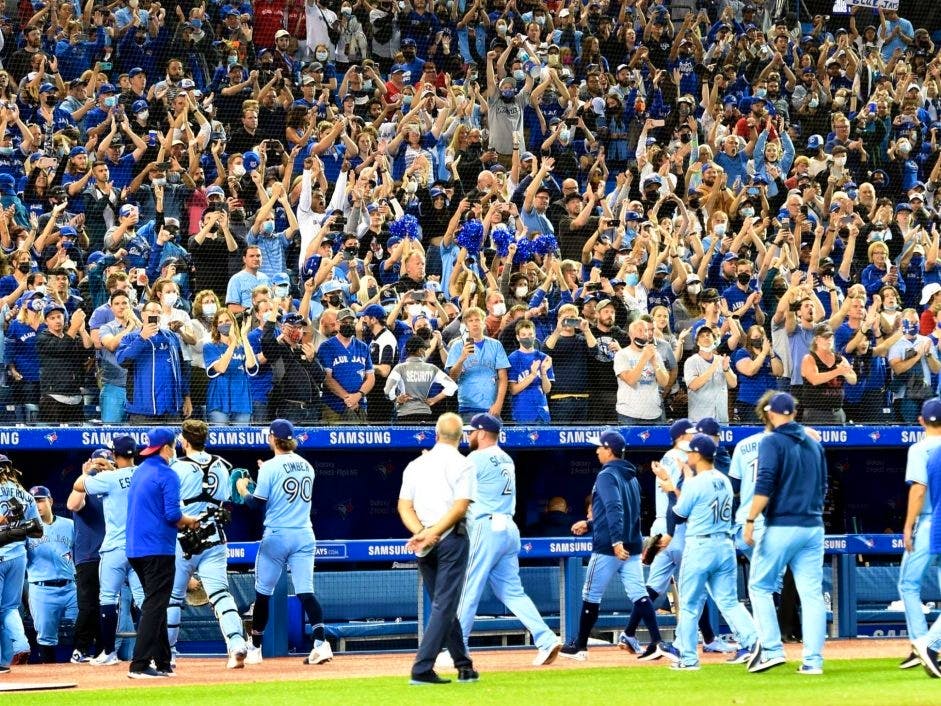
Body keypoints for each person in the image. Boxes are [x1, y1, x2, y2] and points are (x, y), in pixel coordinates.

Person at [454, 414, 561, 666]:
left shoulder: (476, 458)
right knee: (511, 591)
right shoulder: (506, 458)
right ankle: (546, 639)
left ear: (481, 433)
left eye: (472, 432)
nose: (469, 436)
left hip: (486, 526)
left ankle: (458, 648)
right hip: (508, 528)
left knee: (468, 587)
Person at [561, 431, 671, 662]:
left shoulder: (607, 475)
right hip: (631, 543)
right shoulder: (630, 475)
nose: (597, 450)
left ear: (609, 450)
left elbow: (614, 507)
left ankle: (580, 646)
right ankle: (656, 642)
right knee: (639, 595)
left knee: (590, 594)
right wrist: (591, 524)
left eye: (600, 447)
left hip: (609, 547)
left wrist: (615, 541)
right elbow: (622, 511)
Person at [236, 420, 331, 668]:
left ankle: (255, 648)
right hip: (303, 534)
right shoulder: (307, 465)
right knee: (306, 592)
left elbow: (256, 504)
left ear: (273, 439)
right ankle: (321, 644)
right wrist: (264, 471)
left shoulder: (269, 467)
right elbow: (281, 487)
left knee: (263, 594)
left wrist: (242, 489)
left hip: (277, 536)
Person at [744, 392, 827, 675]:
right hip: (813, 526)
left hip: (782, 525)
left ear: (770, 413)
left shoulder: (772, 441)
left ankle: (771, 650)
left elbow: (765, 482)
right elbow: (824, 485)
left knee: (759, 587)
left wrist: (750, 518)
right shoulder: (815, 444)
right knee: (812, 595)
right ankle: (813, 662)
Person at [397, 412, 477, 685]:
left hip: (426, 541)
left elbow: (404, 507)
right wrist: (431, 532)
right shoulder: (463, 463)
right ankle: (422, 668)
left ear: (436, 434)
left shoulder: (416, 464)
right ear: (462, 437)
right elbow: (460, 506)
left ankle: (464, 665)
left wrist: (422, 532)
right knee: (444, 604)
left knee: (445, 604)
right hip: (450, 539)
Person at [669, 434, 758, 671]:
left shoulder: (696, 483)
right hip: (725, 545)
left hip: (700, 545)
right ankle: (753, 643)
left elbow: (678, 515)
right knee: (729, 601)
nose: (688, 455)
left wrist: (676, 486)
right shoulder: (724, 479)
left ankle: (688, 659)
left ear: (698, 455)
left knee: (688, 604)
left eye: (690, 452)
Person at [168, 420, 247, 670]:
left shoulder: (175, 467)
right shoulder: (223, 465)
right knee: (221, 594)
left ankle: (167, 655)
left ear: (186, 441)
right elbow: (231, 498)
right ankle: (236, 645)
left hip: (183, 539)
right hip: (214, 537)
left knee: (172, 599)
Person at [125, 428, 199, 679]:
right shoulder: (167, 474)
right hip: (156, 549)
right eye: (174, 444)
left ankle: (163, 662)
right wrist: (191, 521)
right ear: (166, 447)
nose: (176, 448)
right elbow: (173, 516)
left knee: (155, 604)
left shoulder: (140, 471)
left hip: (135, 549)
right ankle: (139, 665)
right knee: (155, 606)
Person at [72, 434, 145, 666]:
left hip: (115, 547)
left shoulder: (110, 479)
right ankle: (155, 651)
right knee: (145, 599)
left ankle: (108, 652)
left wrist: (91, 470)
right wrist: (112, 467)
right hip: (141, 547)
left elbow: (78, 485)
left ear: (115, 454)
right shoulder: (144, 474)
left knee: (107, 598)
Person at [897, 399, 941, 671]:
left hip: (927, 523)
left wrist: (907, 525)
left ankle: (921, 643)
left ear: (921, 421)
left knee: (908, 585)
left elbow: (918, 489)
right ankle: (927, 646)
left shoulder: (920, 448)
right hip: (934, 522)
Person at [66, 448, 112, 664]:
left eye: (105, 463)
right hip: (89, 555)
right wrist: (88, 474)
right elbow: (73, 504)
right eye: (97, 463)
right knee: (89, 605)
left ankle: (104, 651)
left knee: (109, 604)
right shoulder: (85, 486)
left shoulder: (115, 486)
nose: (101, 467)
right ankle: (80, 649)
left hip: (113, 554)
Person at [116, 299, 192, 423]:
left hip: (171, 409)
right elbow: (122, 361)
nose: (155, 314)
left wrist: (186, 397)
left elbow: (183, 368)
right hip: (142, 410)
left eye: (159, 312)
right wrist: (141, 338)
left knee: (172, 442)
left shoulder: (171, 337)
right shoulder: (131, 337)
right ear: (143, 314)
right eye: (152, 311)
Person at [25, 485, 77, 663]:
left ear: (51, 501)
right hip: (41, 590)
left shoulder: (69, 525)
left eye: (40, 500)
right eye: (33, 501)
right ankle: (50, 673)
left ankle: (84, 673)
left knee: (80, 629)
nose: (37, 504)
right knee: (46, 637)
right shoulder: (25, 530)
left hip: (71, 587)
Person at [0, 455, 43, 671]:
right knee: (8, 608)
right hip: (18, 556)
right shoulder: (25, 494)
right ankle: (17, 647)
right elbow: (38, 530)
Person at [445, 307, 510, 422]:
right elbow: (452, 378)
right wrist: (462, 359)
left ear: (484, 322)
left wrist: (498, 404)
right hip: (467, 407)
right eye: (470, 321)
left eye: (477, 320)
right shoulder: (457, 346)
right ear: (466, 325)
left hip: (491, 407)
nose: (474, 323)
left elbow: (503, 377)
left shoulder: (496, 345)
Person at [36, 303, 93, 422]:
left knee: (76, 437)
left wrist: (81, 330)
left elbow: (88, 348)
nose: (57, 320)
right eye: (52, 318)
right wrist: (74, 326)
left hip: (75, 397)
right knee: (54, 437)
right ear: (46, 322)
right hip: (53, 398)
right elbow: (62, 347)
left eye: (59, 316)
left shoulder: (73, 337)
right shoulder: (42, 338)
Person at [318, 307, 375, 423]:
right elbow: (326, 378)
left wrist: (358, 396)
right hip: (334, 407)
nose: (348, 325)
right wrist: (348, 398)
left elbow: (370, 377)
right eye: (344, 322)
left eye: (351, 322)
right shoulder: (327, 346)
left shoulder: (363, 347)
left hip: (359, 405)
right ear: (337, 324)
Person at [385, 336, 458, 423]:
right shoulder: (431, 368)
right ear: (420, 350)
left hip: (405, 415)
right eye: (424, 349)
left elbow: (387, 390)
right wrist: (435, 399)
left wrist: (396, 399)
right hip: (425, 414)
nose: (425, 351)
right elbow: (452, 385)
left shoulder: (400, 368)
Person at [204, 312, 259, 424]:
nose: (224, 324)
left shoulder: (243, 348)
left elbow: (252, 366)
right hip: (219, 401)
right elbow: (221, 368)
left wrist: (244, 337)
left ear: (234, 322)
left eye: (227, 320)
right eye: (220, 322)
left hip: (241, 402)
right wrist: (233, 343)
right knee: (220, 439)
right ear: (216, 327)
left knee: (241, 439)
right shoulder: (210, 347)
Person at [614, 318, 670, 424]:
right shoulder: (622, 354)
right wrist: (644, 358)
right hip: (629, 414)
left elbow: (664, 382)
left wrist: (654, 363)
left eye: (645, 330)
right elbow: (631, 380)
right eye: (639, 330)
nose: (644, 333)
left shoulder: (655, 354)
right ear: (630, 334)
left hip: (654, 413)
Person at [684, 326, 737, 423]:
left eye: (708, 335)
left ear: (714, 339)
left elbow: (733, 384)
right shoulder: (691, 361)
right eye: (702, 336)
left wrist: (726, 369)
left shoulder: (721, 359)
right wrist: (712, 367)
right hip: (699, 420)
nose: (706, 337)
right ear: (697, 342)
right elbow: (693, 385)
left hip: (721, 420)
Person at [507, 320, 554, 424]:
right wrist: (532, 375)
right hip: (522, 413)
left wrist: (543, 372)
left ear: (535, 335)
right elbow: (513, 390)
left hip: (542, 412)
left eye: (530, 334)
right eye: (523, 334)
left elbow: (547, 390)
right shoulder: (513, 358)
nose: (527, 337)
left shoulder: (544, 358)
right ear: (518, 337)